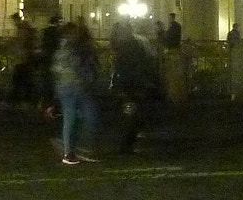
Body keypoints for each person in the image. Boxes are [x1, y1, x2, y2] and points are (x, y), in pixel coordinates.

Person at [110, 22, 162, 154]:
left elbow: (119, 67)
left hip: (127, 84)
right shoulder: (138, 45)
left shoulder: (123, 47)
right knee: (134, 113)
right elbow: (146, 63)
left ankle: (125, 142)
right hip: (135, 84)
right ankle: (128, 142)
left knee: (128, 113)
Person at [52, 22, 100, 164]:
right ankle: (69, 152)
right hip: (69, 88)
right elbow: (64, 70)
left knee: (88, 118)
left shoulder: (71, 48)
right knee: (72, 119)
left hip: (75, 87)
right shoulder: (65, 50)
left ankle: (78, 148)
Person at [8, 14, 38, 107]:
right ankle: (26, 95)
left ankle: (19, 95)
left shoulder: (22, 28)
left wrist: (14, 44)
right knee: (25, 76)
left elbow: (22, 41)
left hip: (23, 56)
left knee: (19, 76)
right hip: (25, 56)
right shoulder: (25, 27)